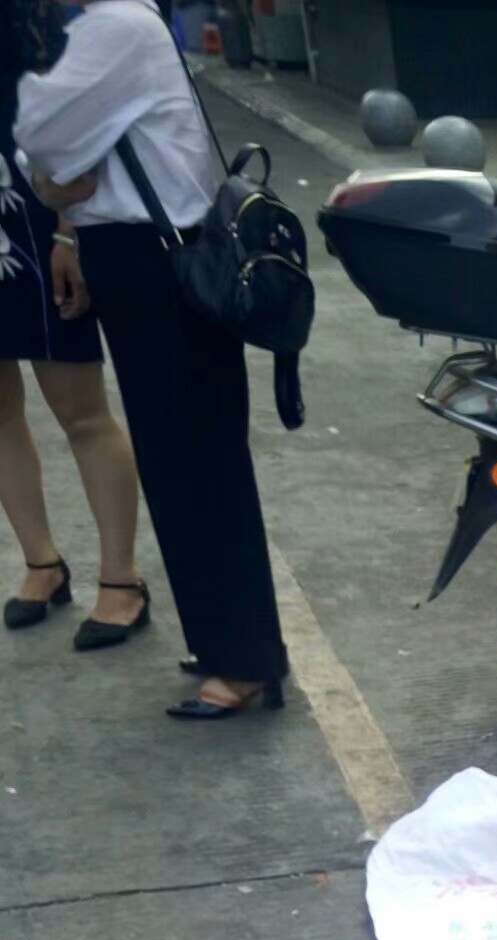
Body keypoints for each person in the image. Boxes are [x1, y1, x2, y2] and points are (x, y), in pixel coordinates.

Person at [16, 0, 288, 718]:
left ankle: (246, 663)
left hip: (156, 265)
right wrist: (49, 180)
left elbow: (38, 131)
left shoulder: (115, 26)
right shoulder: (122, 24)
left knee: (196, 464)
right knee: (183, 463)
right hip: (146, 265)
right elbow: (57, 159)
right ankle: (231, 644)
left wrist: (44, 176)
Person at [0, 0, 144, 648]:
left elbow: (83, 117)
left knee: (80, 409)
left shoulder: (39, 16)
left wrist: (70, 234)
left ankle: (122, 580)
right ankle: (41, 563)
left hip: (37, 219)